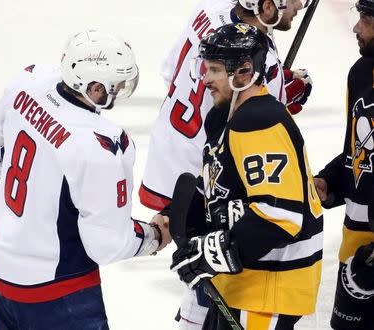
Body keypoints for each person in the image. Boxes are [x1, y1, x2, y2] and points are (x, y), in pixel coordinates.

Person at [0, 29, 171, 330]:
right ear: (94, 87)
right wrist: (155, 236)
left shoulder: (28, 81)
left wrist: (29, 215)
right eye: (115, 84)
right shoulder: (101, 145)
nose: (121, 88)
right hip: (55, 288)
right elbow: (107, 244)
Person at [169, 23, 324, 330]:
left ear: (244, 71)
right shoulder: (222, 116)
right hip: (242, 284)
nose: (206, 79)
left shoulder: (260, 121)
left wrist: (211, 254)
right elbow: (220, 184)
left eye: (214, 70)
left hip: (269, 292)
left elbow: (279, 215)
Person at [139, 0, 312, 211]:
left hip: (167, 149)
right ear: (267, 7)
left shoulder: (210, 8)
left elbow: (170, 70)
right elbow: (255, 132)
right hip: (207, 180)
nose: (300, 6)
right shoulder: (264, 62)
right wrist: (283, 98)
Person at [313, 1, 374, 328]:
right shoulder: (362, 72)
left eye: (365, 18)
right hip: (357, 244)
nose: (355, 27)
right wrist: (330, 183)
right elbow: (359, 153)